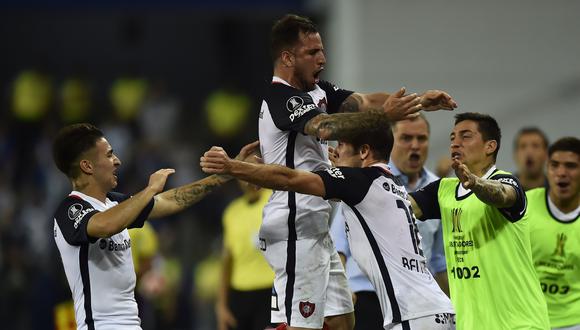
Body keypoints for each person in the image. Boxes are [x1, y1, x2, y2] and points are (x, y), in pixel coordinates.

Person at [258, 13, 457, 330]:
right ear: (286, 57)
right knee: (302, 325)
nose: (322, 58)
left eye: (321, 49)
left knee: (340, 322)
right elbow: (323, 127)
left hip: (315, 223)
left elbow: (365, 101)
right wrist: (384, 117)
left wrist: (417, 102)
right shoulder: (281, 98)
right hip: (294, 223)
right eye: (311, 52)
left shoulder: (318, 90)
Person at [200, 114, 456, 330]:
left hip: (414, 315)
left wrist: (233, 167)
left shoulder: (360, 181)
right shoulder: (390, 185)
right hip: (431, 310)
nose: (334, 151)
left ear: (364, 151)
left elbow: (290, 179)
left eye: (342, 144)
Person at [51, 123, 254, 330]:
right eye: (109, 155)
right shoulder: (71, 209)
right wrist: (149, 190)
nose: (117, 161)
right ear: (88, 166)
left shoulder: (114, 204)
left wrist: (228, 173)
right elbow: (106, 225)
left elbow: (169, 201)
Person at [408, 112, 550, 329]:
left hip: (520, 323)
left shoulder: (505, 181)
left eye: (466, 136)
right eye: (452, 137)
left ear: (490, 146)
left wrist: (474, 183)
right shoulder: (443, 190)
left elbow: (502, 195)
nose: (455, 143)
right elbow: (400, 208)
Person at [389, 115, 448, 294]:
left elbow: (439, 260)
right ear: (390, 141)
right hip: (370, 297)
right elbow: (340, 248)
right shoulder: (369, 181)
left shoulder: (439, 188)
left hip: (420, 298)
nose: (415, 145)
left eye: (421, 138)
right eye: (406, 138)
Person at [527, 137, 580, 330]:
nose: (561, 173)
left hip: (575, 320)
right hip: (529, 318)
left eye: (571, 166)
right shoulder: (524, 206)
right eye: (554, 165)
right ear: (546, 168)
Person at [215, 181, 275, 330]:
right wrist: (221, 305)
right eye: (243, 177)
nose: (248, 181)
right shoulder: (232, 212)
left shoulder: (276, 201)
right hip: (239, 295)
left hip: (272, 291)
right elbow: (227, 260)